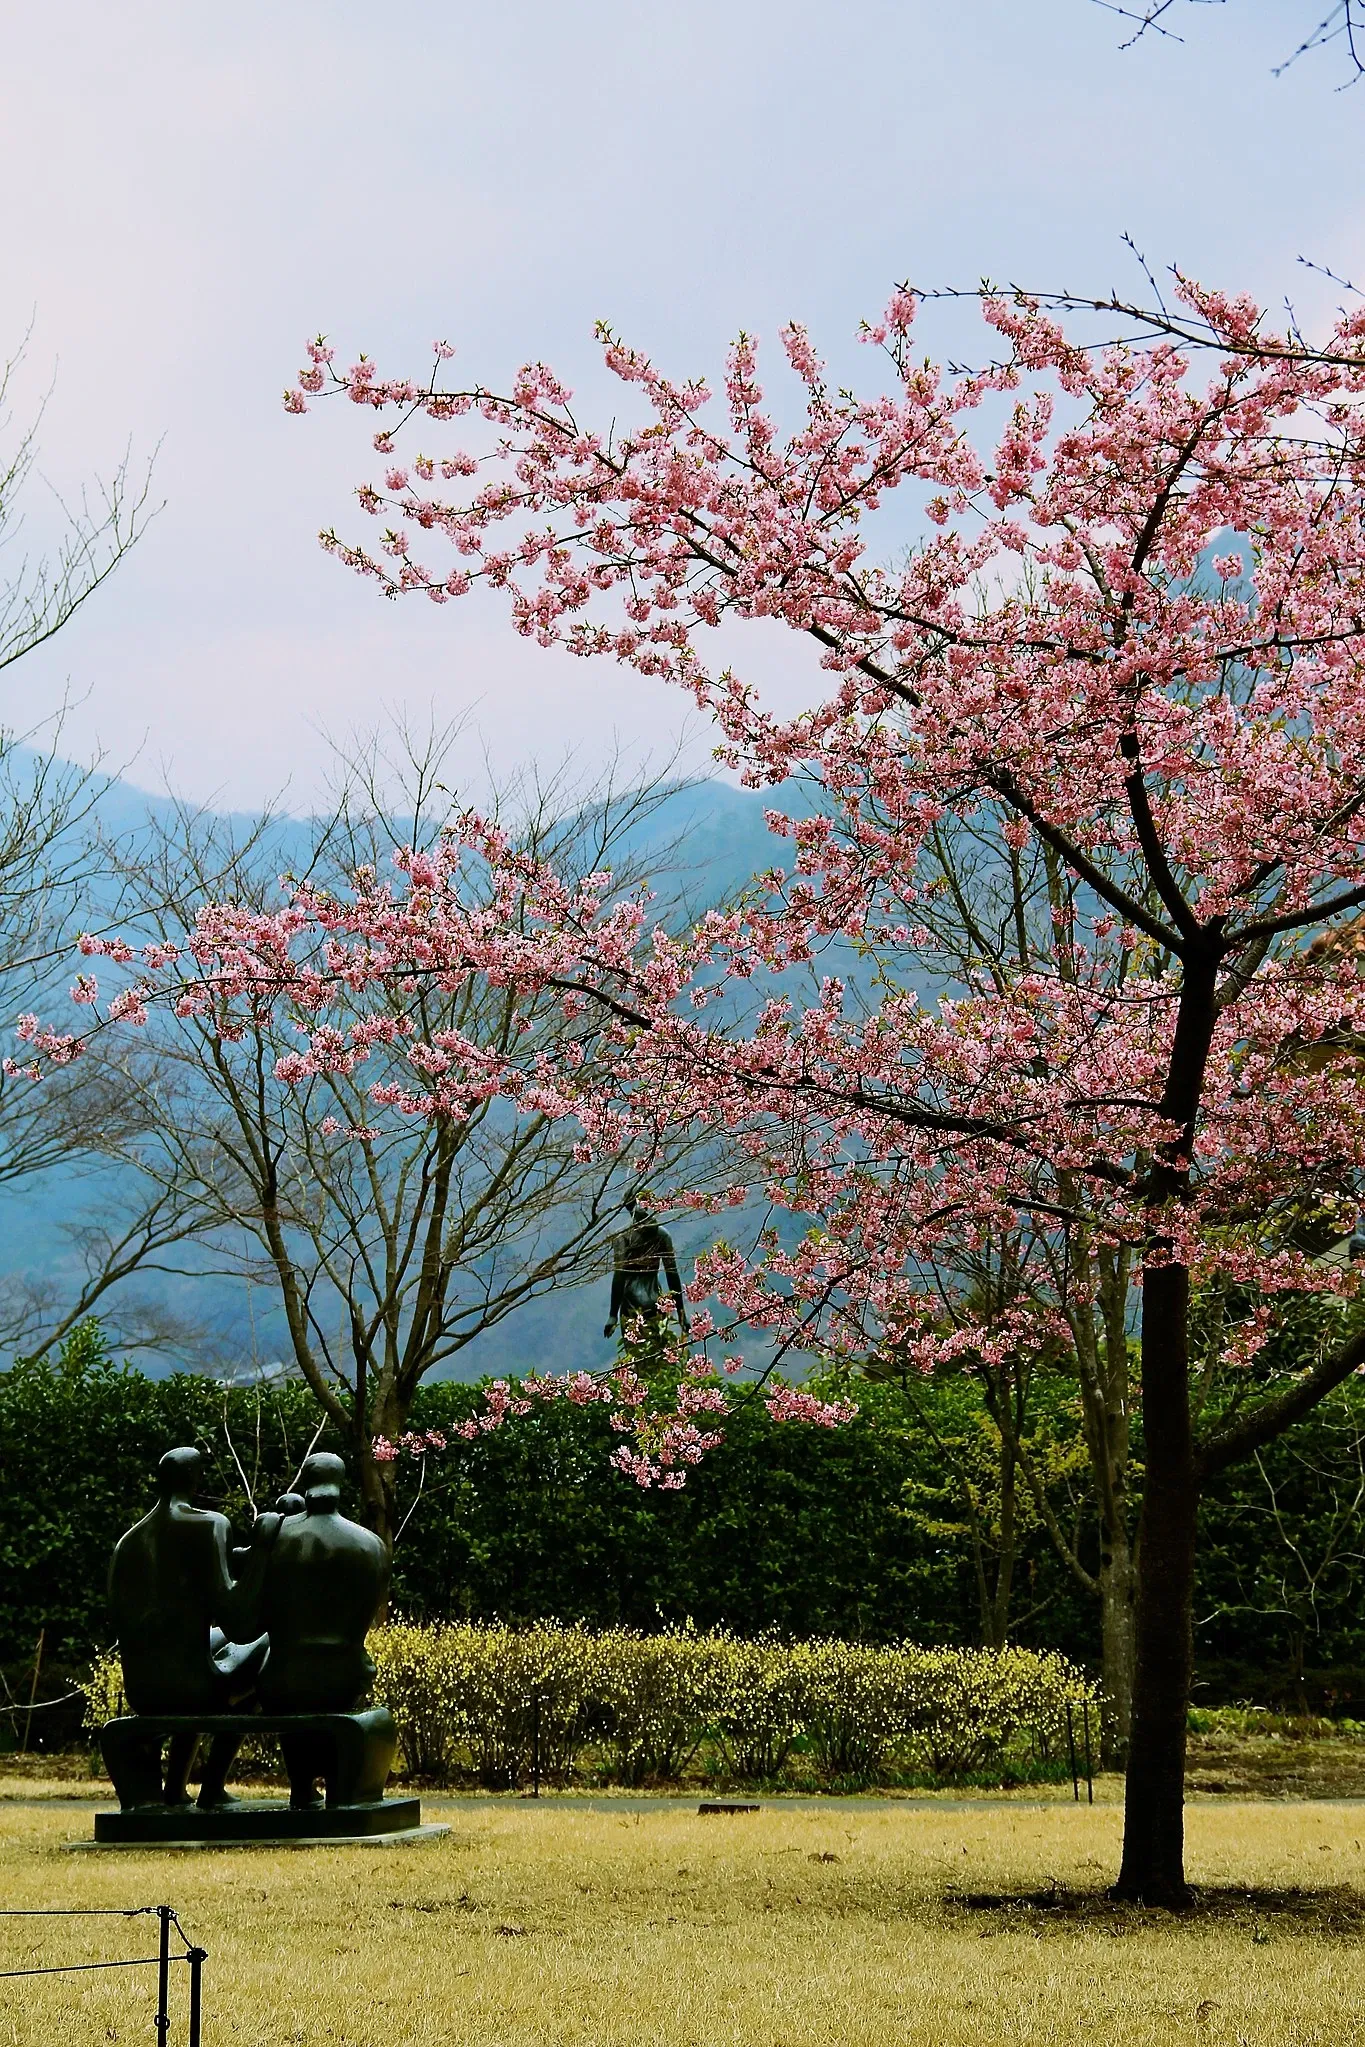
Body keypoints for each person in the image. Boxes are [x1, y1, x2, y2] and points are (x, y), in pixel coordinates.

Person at [108, 1446, 274, 1807]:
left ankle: (175, 1789)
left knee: (209, 1644)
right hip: (195, 1688)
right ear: (195, 1479)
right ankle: (212, 1787)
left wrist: (239, 1558)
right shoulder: (210, 1525)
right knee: (265, 1644)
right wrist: (262, 1549)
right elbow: (240, 1621)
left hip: (144, 1690)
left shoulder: (129, 1542)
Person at [255, 1451, 389, 1807]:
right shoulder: (370, 1546)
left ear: (306, 1482)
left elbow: (249, 1617)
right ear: (340, 1484)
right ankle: (334, 1783)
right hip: (346, 1673)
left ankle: (301, 1784)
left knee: (287, 1679)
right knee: (327, 1688)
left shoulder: (275, 1541)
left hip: (282, 1678)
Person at [603, 1192, 689, 1341]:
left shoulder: (622, 1237)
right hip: (656, 1299)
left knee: (636, 1353)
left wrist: (612, 1314)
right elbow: (672, 1274)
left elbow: (619, 1275)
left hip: (631, 1303)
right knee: (658, 1351)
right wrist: (681, 1312)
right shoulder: (662, 1234)